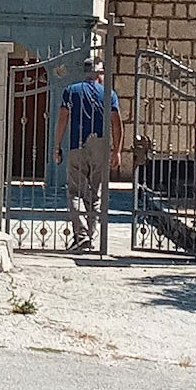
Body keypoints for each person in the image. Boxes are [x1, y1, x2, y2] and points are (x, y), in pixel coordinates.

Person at [53, 58, 123, 252]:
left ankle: (81, 236)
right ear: (99, 74)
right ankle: (89, 237)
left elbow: (62, 119)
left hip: (77, 145)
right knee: (95, 193)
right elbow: (116, 123)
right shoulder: (109, 94)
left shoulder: (71, 91)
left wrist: (57, 145)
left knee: (75, 192)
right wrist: (117, 150)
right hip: (100, 146)